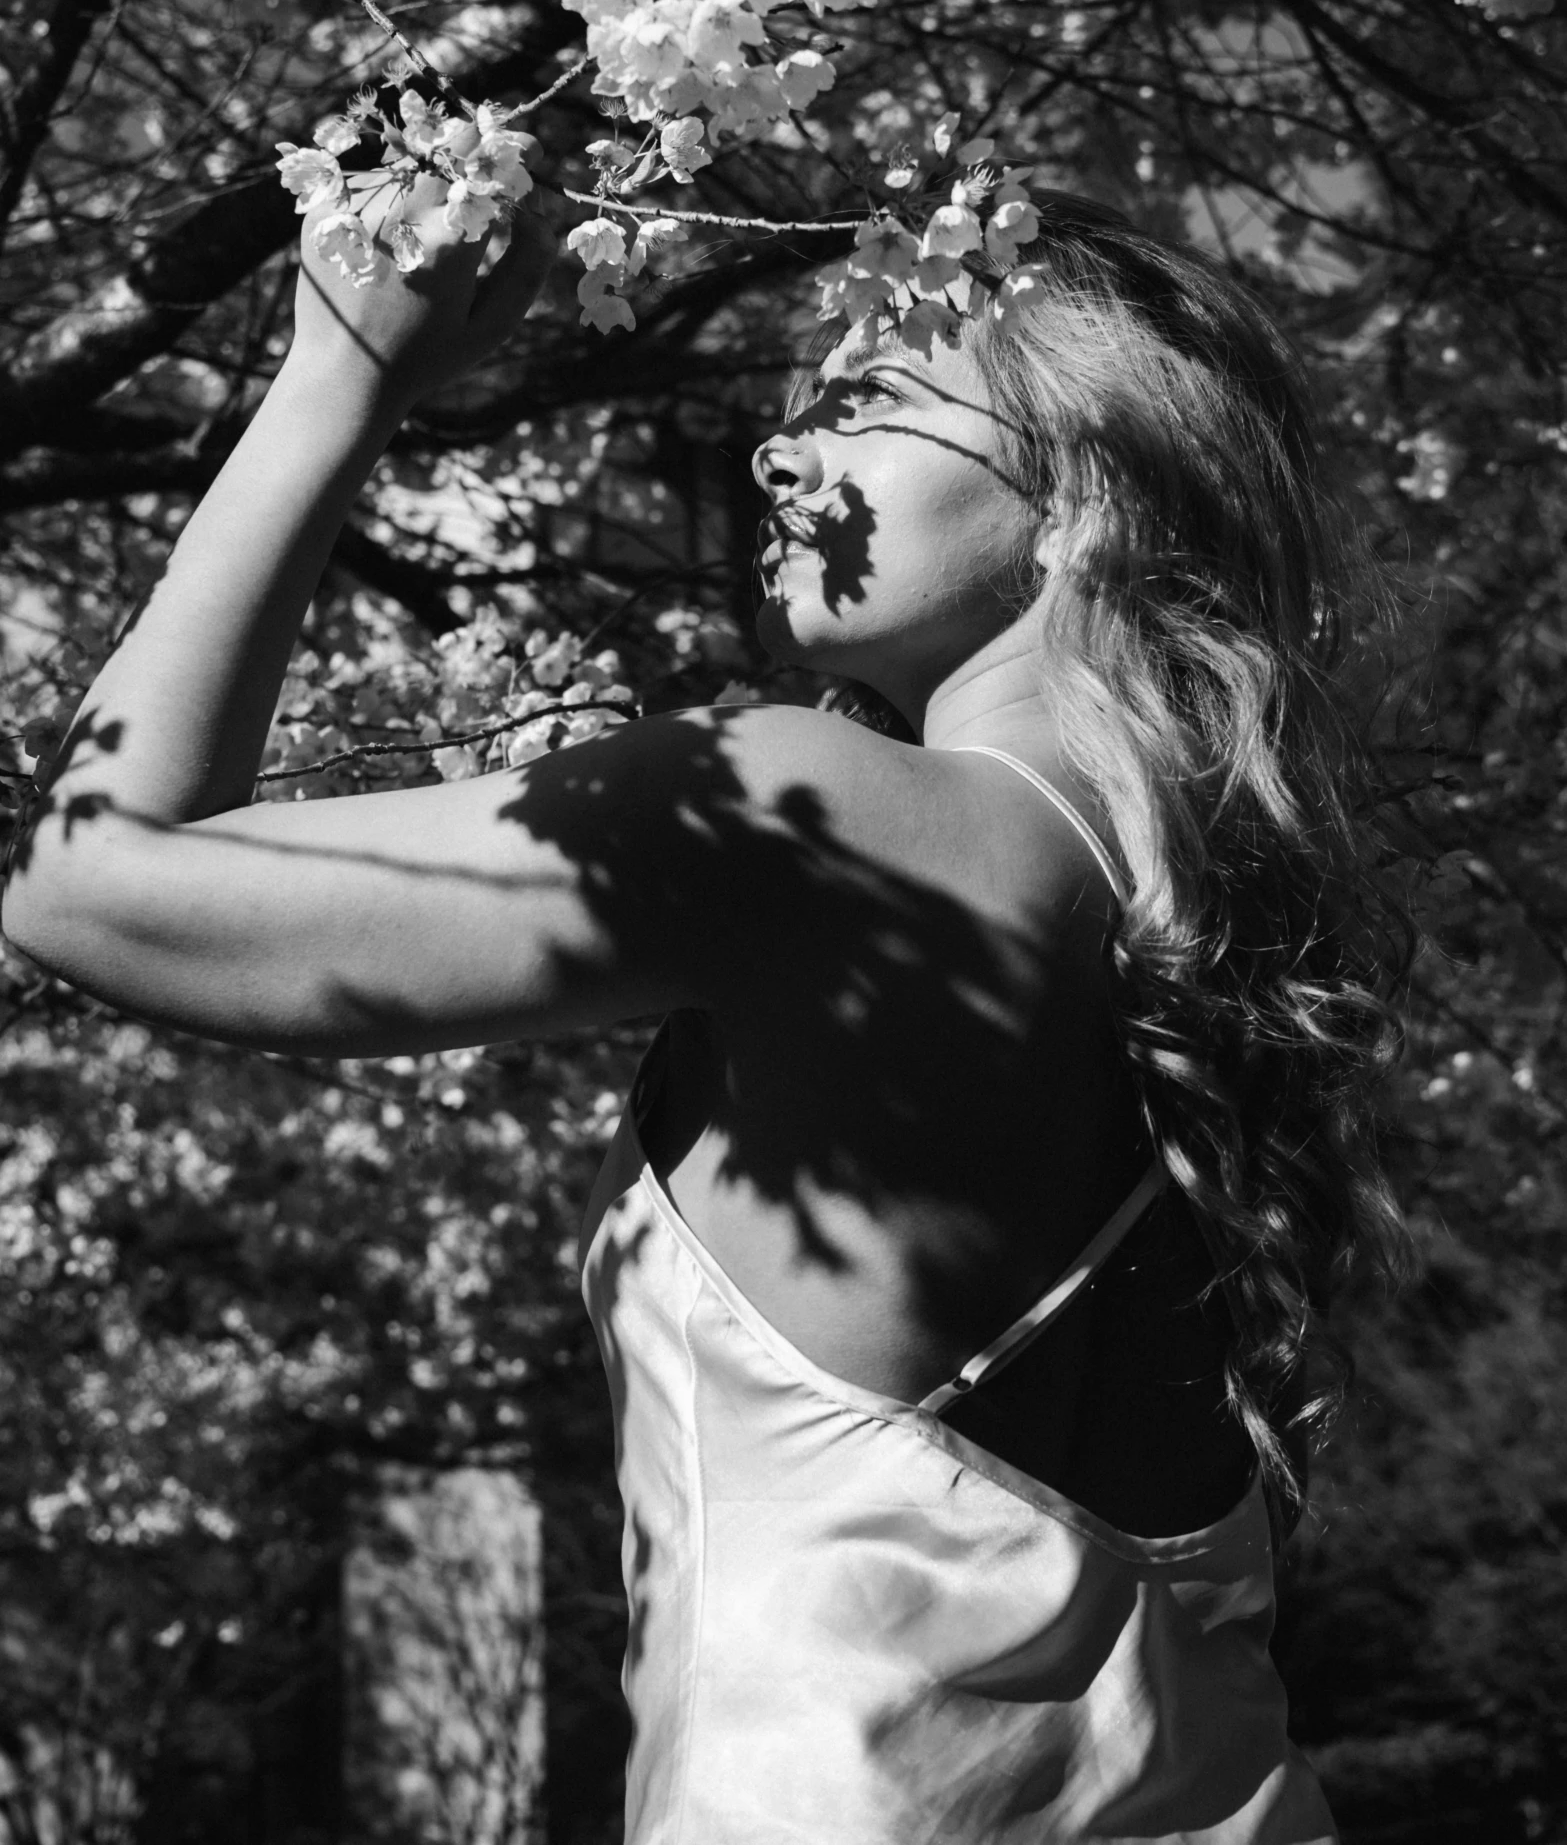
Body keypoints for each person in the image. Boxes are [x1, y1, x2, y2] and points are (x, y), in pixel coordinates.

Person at [3, 173, 1406, 1843]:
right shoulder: (1217, 970)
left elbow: (91, 878)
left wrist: (341, 366)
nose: (780, 451)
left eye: (871, 399)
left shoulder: (818, 813)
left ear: (1081, 498)